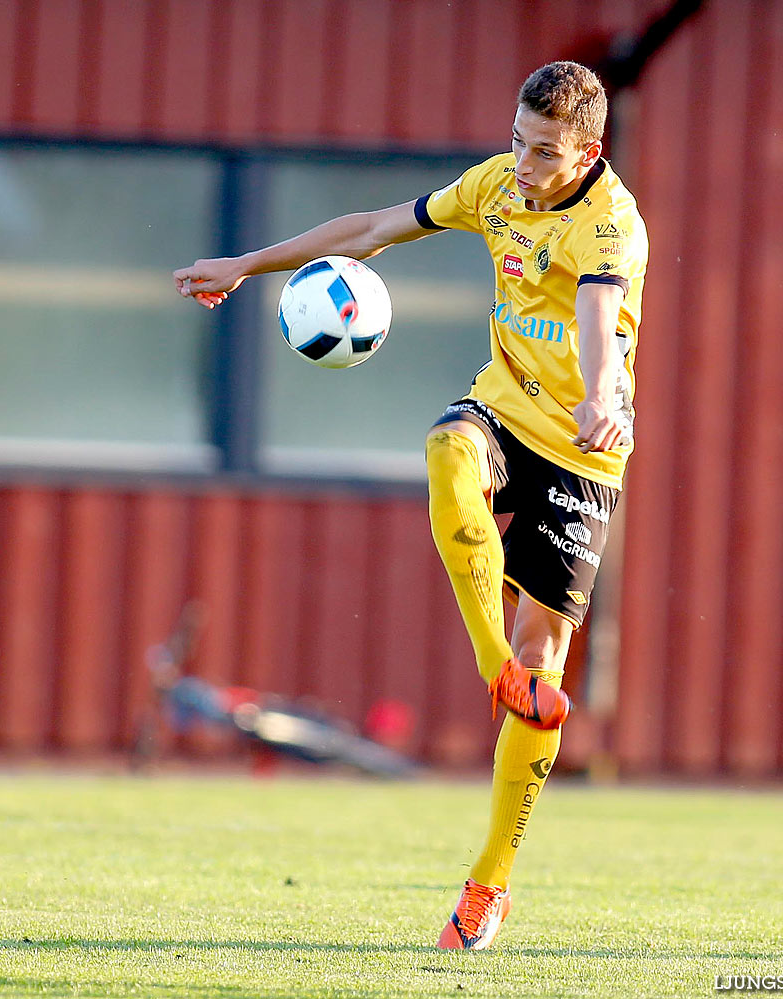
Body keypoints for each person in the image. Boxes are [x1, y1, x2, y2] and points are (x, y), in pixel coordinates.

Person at [174, 61, 647, 950]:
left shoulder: (613, 226)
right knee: (447, 447)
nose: (526, 162)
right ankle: (489, 659)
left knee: (546, 671)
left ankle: (489, 884)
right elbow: (372, 228)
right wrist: (247, 263)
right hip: (506, 410)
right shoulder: (496, 186)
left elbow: (598, 316)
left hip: (585, 446)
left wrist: (604, 393)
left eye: (546, 152)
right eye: (517, 140)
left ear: (589, 150)